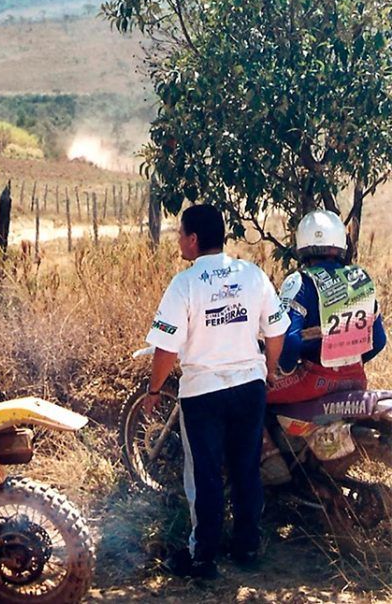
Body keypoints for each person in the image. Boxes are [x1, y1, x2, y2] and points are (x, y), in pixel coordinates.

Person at [143, 204, 289, 578]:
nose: (178, 240)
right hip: (249, 389)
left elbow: (165, 349)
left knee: (205, 475)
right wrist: (267, 372)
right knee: (245, 469)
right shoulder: (252, 274)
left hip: (203, 393)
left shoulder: (185, 284)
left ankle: (203, 557)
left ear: (193, 240)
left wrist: (154, 389)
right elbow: (275, 333)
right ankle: (247, 547)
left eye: (180, 233)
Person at [267, 210, 386, 404]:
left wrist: (285, 369)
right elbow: (379, 341)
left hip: (314, 380)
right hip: (356, 379)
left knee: (253, 400)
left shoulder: (300, 281)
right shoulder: (359, 280)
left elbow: (291, 340)